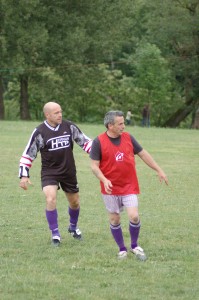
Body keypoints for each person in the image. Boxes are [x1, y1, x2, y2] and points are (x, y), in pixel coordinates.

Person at [90, 111, 168, 260]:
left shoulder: (128, 138)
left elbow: (144, 154)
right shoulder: (98, 141)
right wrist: (104, 180)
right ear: (110, 125)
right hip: (110, 188)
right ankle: (122, 249)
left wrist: (159, 170)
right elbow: (94, 166)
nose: (123, 126)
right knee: (115, 219)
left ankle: (134, 246)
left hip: (128, 186)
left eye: (123, 123)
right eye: (120, 124)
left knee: (134, 216)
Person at [19, 102, 92, 246]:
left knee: (75, 202)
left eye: (60, 111)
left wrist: (100, 155)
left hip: (68, 171)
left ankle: (72, 227)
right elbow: (28, 154)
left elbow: (85, 142)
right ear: (47, 115)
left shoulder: (68, 126)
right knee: (50, 199)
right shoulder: (39, 132)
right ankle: (55, 234)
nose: (60, 115)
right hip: (49, 172)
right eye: (56, 113)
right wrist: (24, 175)